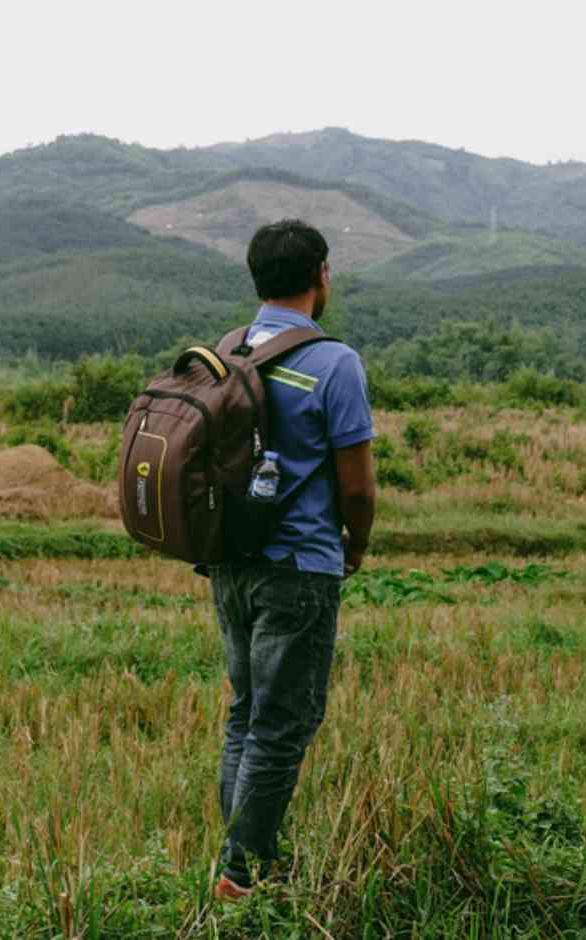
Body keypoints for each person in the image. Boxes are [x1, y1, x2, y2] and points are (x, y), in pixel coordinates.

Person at [212, 219, 377, 900]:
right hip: (300, 567)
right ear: (321, 277)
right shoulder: (335, 362)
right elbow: (358, 486)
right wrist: (355, 548)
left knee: (247, 713)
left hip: (229, 564)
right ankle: (241, 876)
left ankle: (247, 855)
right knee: (283, 727)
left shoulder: (225, 351)